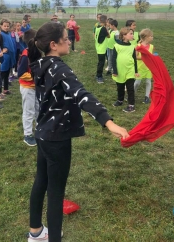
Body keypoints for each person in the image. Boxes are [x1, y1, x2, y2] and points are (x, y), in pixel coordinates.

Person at [26, 22, 129, 242]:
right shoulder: (59, 68)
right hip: (56, 139)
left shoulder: (40, 63)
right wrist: (108, 123)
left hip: (43, 133)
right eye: (66, 38)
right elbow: (82, 94)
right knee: (55, 193)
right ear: (54, 45)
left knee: (41, 181)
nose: (70, 40)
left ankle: (35, 231)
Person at [17, 29, 39, 147]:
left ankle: (39, 129)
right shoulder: (26, 54)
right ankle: (28, 134)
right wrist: (34, 78)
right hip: (27, 87)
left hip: (35, 87)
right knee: (28, 111)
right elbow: (20, 73)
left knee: (38, 109)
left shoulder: (35, 52)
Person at [112, 27, 139, 113]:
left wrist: (136, 71)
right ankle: (120, 100)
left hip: (130, 70)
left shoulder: (132, 47)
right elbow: (113, 59)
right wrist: (115, 71)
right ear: (124, 35)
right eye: (130, 34)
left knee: (130, 88)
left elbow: (134, 59)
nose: (132, 35)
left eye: (132, 34)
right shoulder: (116, 46)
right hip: (120, 71)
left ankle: (131, 105)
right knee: (120, 87)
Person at [134, 28, 154, 104]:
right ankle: (131, 94)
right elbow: (135, 57)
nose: (152, 37)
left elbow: (151, 56)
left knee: (148, 82)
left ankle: (147, 97)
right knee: (137, 82)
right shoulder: (138, 46)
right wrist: (143, 57)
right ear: (146, 37)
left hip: (148, 68)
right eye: (151, 36)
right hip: (140, 68)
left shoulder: (151, 46)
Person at [0, 18, 15, 94]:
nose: (6, 27)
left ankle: (5, 89)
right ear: (1, 26)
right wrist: (2, 51)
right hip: (4, 57)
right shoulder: (0, 35)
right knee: (2, 74)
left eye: (7, 26)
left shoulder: (8, 33)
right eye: (4, 26)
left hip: (10, 57)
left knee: (7, 74)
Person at [95, 15, 110, 84]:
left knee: (100, 62)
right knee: (101, 63)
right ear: (105, 21)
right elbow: (108, 36)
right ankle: (99, 77)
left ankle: (98, 75)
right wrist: (107, 27)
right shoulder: (103, 28)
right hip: (102, 48)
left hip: (99, 47)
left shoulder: (98, 27)